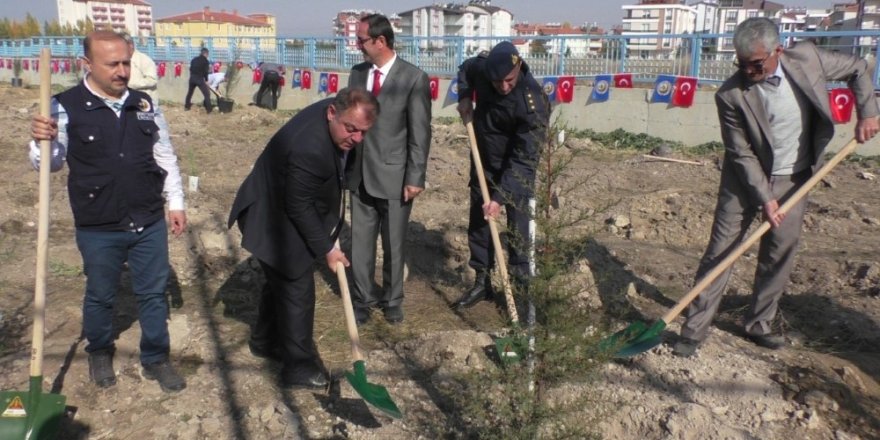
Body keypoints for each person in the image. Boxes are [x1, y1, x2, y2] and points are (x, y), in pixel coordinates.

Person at [672, 18, 880, 358]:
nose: (749, 70)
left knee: (779, 252)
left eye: (756, 63)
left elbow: (858, 68)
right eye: (742, 64)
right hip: (744, 179)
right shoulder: (730, 95)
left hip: (795, 176)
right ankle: (693, 330)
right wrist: (765, 198)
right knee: (721, 252)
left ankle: (758, 324)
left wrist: (868, 112)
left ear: (777, 52)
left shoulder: (808, 59)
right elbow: (740, 152)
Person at [29, 30, 188, 392]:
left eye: (126, 62)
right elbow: (50, 165)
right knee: (100, 294)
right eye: (112, 64)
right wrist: (44, 140)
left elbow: (164, 154)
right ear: (87, 64)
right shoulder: (63, 106)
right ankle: (99, 350)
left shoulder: (145, 104)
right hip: (98, 223)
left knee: (152, 292)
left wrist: (175, 202)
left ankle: (156, 358)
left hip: (147, 218)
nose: (122, 71)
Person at [227, 88, 379, 389]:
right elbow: (299, 206)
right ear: (332, 113)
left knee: (280, 279)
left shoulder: (341, 115)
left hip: (284, 204)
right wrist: (327, 247)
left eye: (364, 132)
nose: (357, 139)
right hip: (269, 215)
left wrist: (329, 233)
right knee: (296, 284)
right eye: (352, 130)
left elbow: (321, 188)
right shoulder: (309, 147)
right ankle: (298, 368)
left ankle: (264, 341)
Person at [346, 14, 432, 325]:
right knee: (361, 241)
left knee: (394, 243)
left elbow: (420, 132)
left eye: (361, 41)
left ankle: (393, 300)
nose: (357, 46)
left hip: (396, 177)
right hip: (359, 174)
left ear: (380, 42)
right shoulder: (357, 75)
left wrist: (415, 177)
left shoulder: (413, 78)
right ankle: (363, 298)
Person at [453, 41, 550, 309]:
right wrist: (464, 96)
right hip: (484, 163)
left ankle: (519, 294)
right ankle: (482, 283)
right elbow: (465, 70)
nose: (503, 86)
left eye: (508, 80)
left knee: (519, 231)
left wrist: (498, 198)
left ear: (518, 67)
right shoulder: (483, 69)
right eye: (497, 82)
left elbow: (524, 158)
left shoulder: (534, 102)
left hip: (517, 174)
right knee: (480, 226)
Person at [121, 32, 178, 185]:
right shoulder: (122, 62)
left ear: (130, 45)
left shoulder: (143, 60)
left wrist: (132, 85)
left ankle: (162, 178)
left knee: (158, 143)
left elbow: (152, 80)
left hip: (148, 107)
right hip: (128, 106)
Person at [184, 47, 212, 113]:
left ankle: (187, 107)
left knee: (190, 93)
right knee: (207, 94)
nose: (208, 55)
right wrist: (206, 80)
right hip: (199, 79)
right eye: (207, 54)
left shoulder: (194, 59)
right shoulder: (205, 61)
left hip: (192, 78)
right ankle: (209, 110)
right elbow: (205, 72)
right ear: (206, 53)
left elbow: (190, 69)